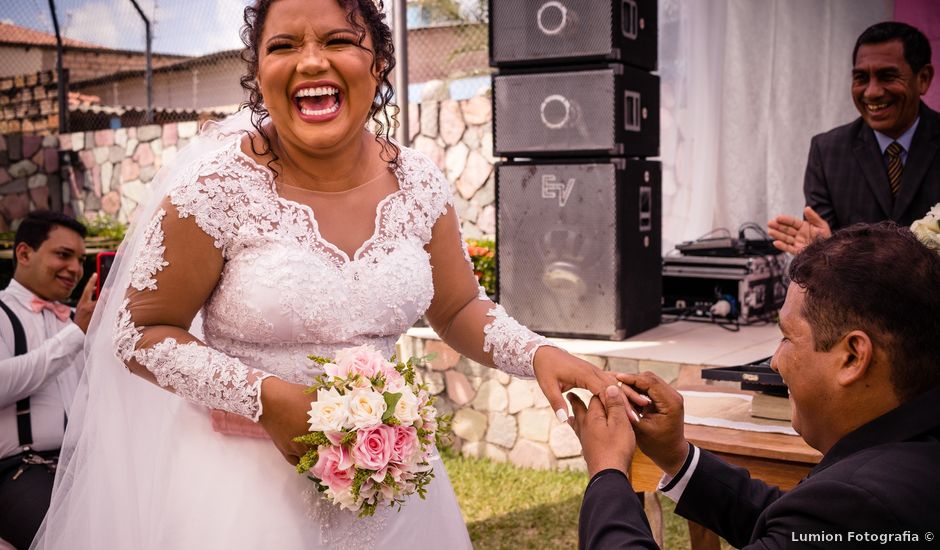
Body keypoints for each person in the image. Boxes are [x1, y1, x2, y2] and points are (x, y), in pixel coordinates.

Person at [32, 1, 616, 548]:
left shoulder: (418, 182)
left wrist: (536, 353)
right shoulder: (213, 192)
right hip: (239, 489)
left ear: (379, 62)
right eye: (283, 45)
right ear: (259, 72)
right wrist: (270, 400)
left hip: (390, 481)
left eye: (339, 39)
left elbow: (459, 308)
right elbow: (140, 333)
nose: (312, 60)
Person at [572, 222, 940, 549]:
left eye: (787, 338)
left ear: (852, 357)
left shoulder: (856, 504)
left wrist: (607, 471)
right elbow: (787, 527)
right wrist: (676, 455)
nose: (775, 361)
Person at [769, 21, 939, 255]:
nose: (872, 92)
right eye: (861, 78)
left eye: (887, 76)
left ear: (923, 78)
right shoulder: (827, 151)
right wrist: (823, 250)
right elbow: (822, 243)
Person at [0, 211, 96, 549]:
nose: (76, 269)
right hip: (18, 470)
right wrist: (74, 335)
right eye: (63, 255)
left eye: (81, 260)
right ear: (25, 253)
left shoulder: (79, 319)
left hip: (86, 465)